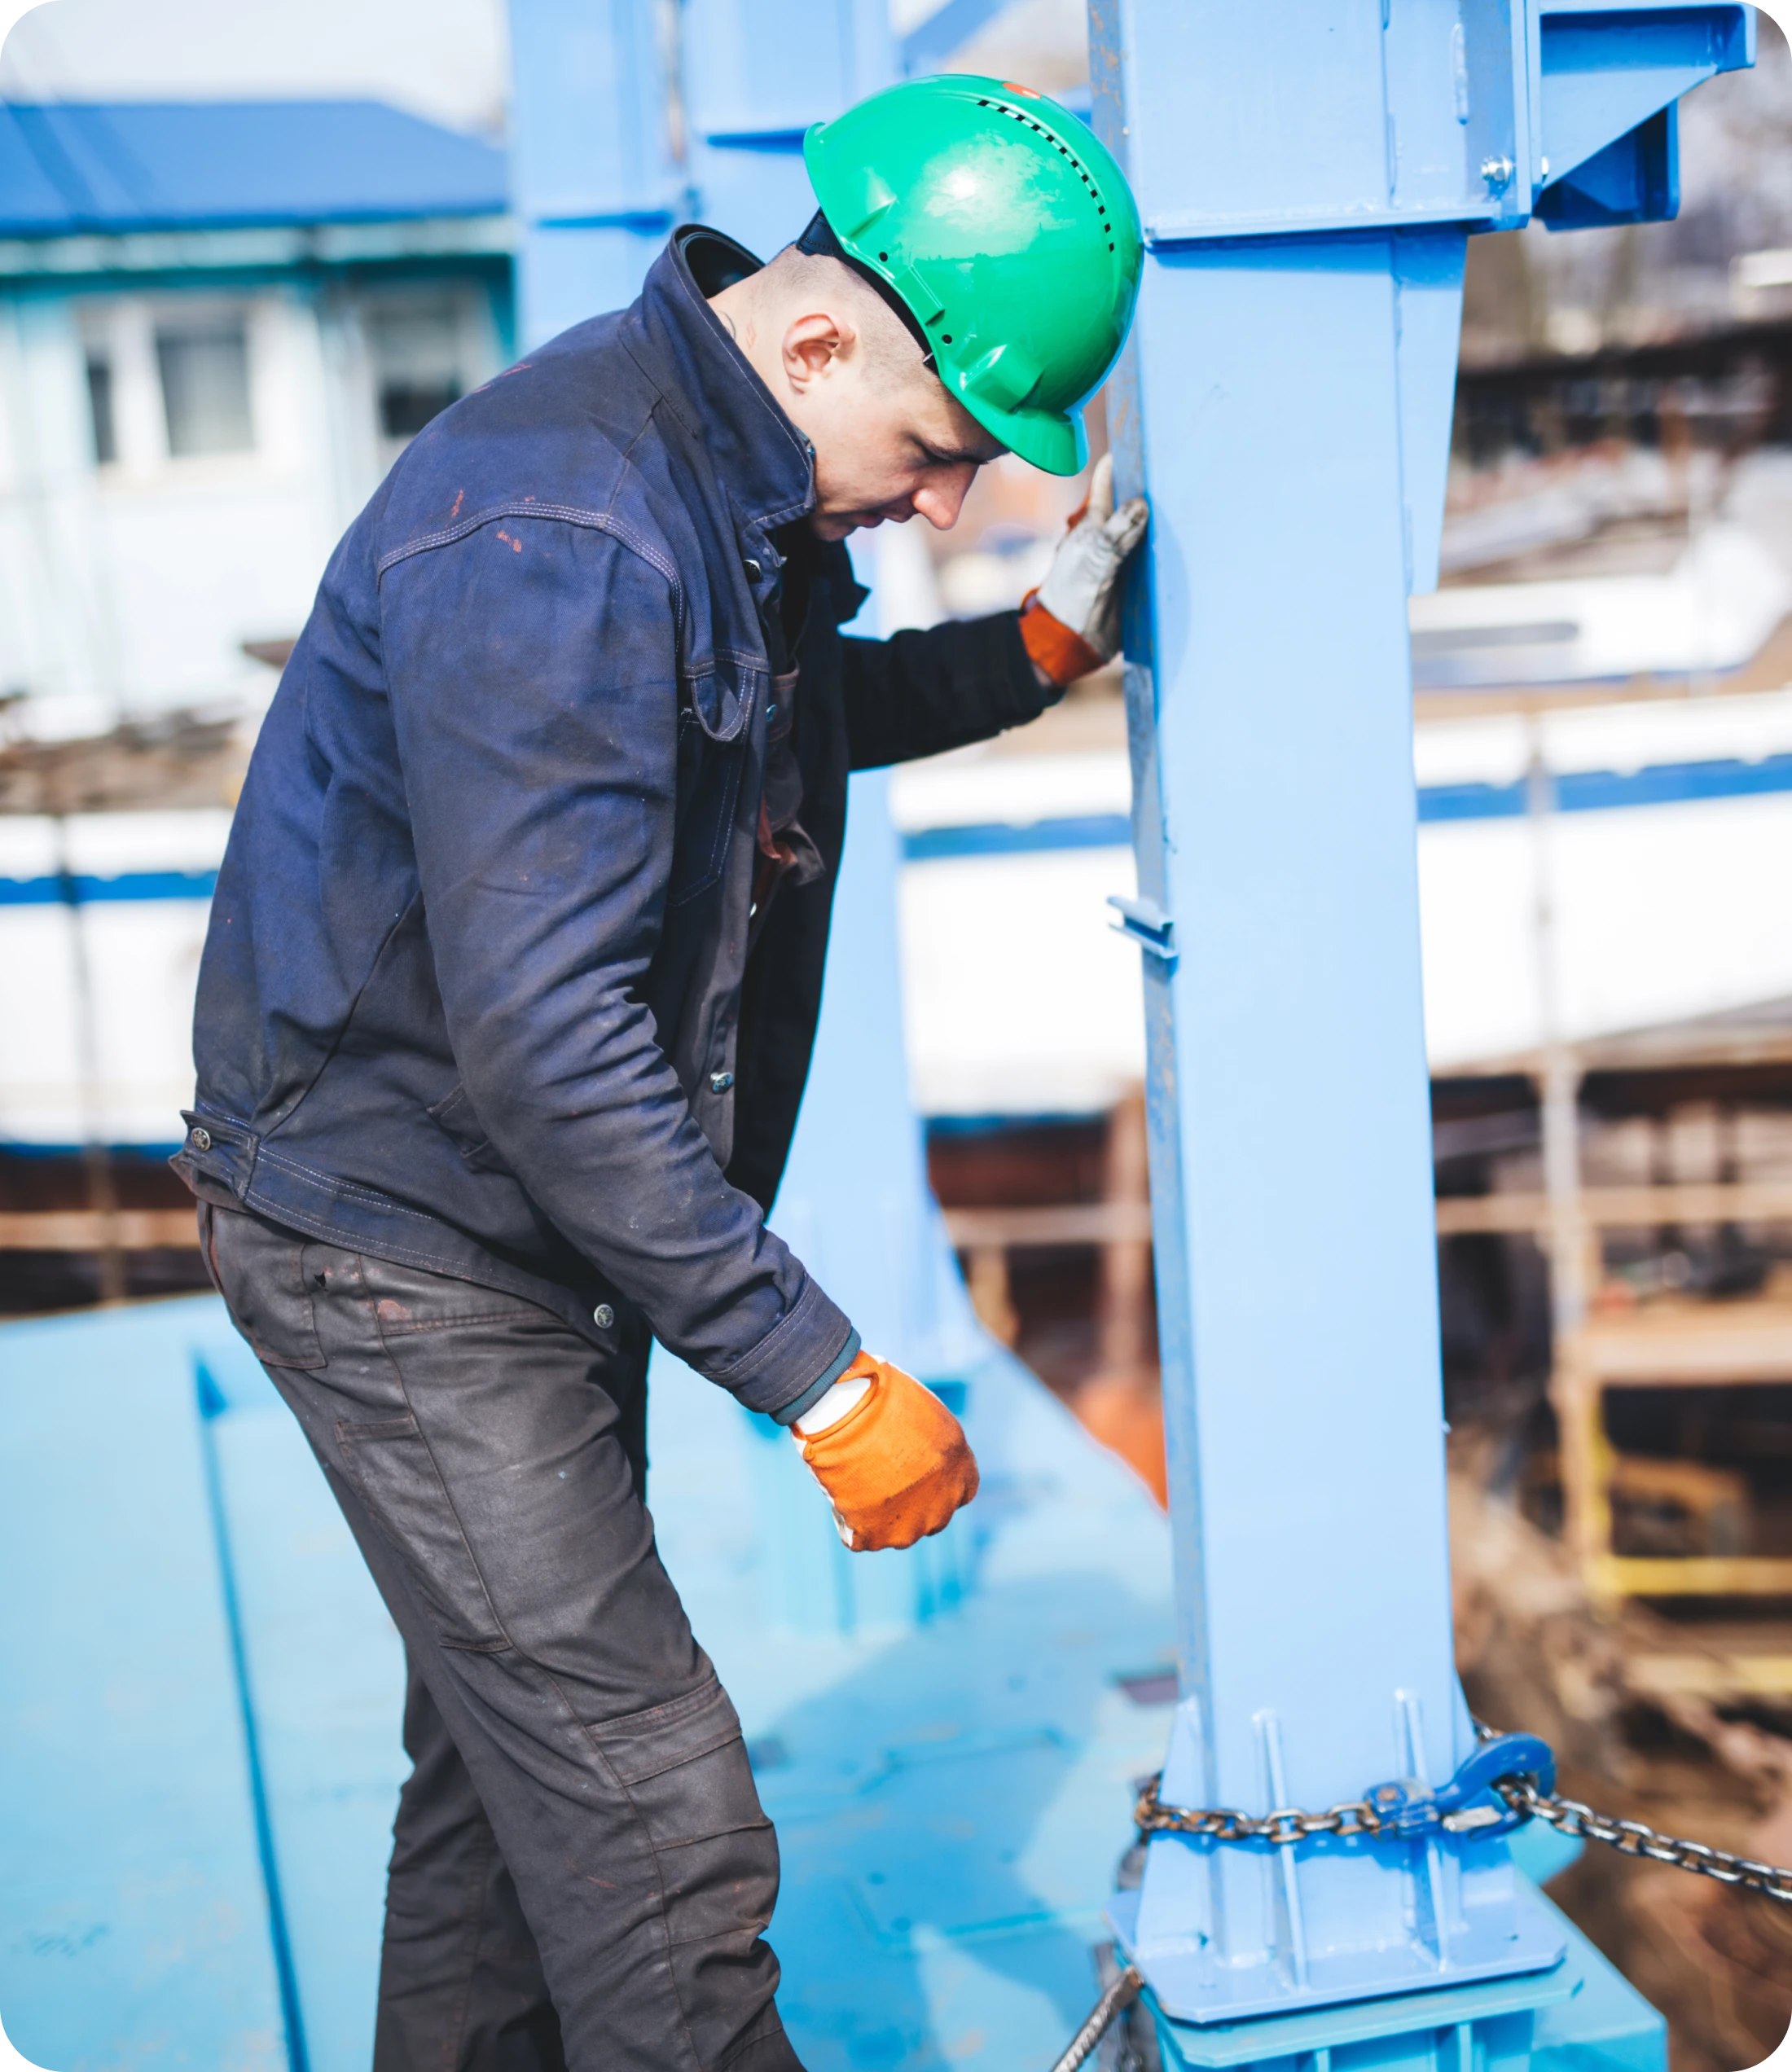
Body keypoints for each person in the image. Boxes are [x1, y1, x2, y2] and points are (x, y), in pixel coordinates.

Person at [177, 73, 1146, 2072]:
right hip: (408, 1238)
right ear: (815, 337)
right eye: (939, 451)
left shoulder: (701, 469)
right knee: (652, 1830)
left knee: (510, 1783)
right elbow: (552, 1045)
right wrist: (822, 1376)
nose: (948, 507)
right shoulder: (561, 529)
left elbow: (757, 732)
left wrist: (1024, 656)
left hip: (505, 1219)